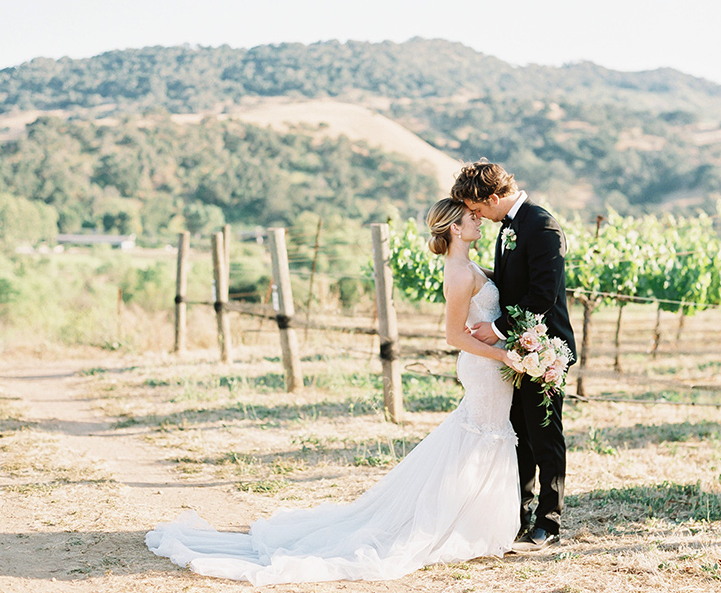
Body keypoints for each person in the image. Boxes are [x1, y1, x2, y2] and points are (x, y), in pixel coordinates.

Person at [145, 198, 525, 586]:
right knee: (482, 435)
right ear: (455, 229)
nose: (479, 220)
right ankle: (455, 524)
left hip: (491, 366)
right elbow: (453, 335)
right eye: (471, 218)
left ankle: (468, 522)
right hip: (484, 366)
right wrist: (503, 354)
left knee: (482, 436)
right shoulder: (460, 273)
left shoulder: (470, 265)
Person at [450, 159, 576, 552]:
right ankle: (517, 516)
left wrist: (499, 329)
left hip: (544, 348)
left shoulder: (542, 226)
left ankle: (549, 522)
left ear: (492, 197)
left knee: (544, 434)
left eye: (478, 209)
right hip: (512, 352)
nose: (477, 216)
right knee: (518, 434)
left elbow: (543, 295)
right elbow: (510, 283)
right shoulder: (508, 227)